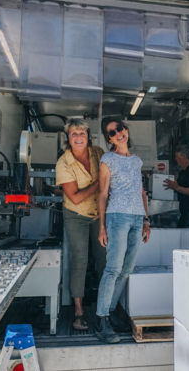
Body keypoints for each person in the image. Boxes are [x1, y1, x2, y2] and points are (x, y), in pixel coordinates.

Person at [95, 117, 151, 344]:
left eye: (120, 128)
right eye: (112, 132)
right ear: (109, 138)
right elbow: (102, 194)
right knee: (113, 268)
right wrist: (101, 227)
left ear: (126, 130)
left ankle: (109, 310)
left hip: (137, 218)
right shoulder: (108, 159)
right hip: (117, 217)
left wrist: (147, 220)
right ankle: (101, 319)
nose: (118, 133)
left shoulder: (136, 161)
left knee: (126, 269)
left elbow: (142, 192)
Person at [55, 118, 105, 331]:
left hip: (98, 213)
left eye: (82, 133)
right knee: (80, 261)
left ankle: (106, 308)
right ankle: (78, 311)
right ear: (68, 137)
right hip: (76, 214)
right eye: (74, 134)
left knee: (104, 259)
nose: (78, 137)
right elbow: (75, 198)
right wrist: (98, 184)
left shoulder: (98, 153)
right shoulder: (64, 162)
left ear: (88, 136)